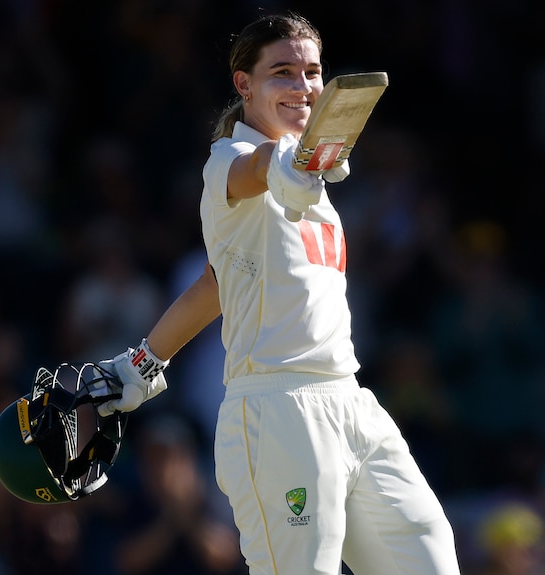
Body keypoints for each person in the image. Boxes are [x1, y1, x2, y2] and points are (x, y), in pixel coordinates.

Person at [97, 11, 462, 575]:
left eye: (312, 72)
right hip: (277, 409)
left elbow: (218, 283)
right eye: (282, 72)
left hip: (350, 399)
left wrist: (141, 362)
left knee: (430, 559)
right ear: (244, 84)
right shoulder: (231, 162)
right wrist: (290, 163)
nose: (302, 86)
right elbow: (261, 167)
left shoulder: (307, 175)